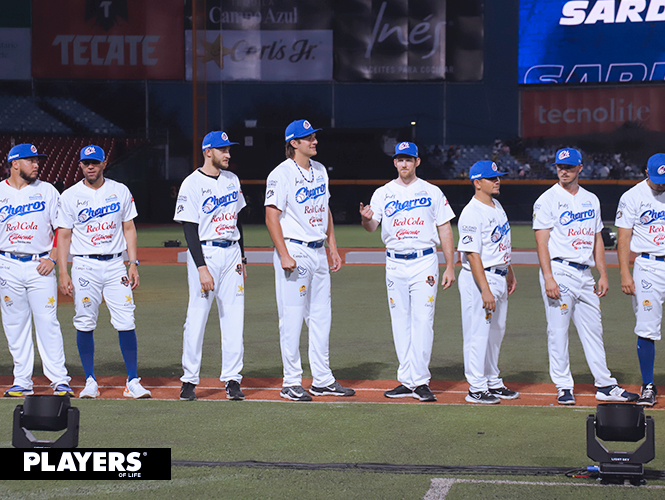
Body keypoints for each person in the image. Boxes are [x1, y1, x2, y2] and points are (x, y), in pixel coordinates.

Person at [533, 148, 638, 405]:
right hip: (560, 270)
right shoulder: (546, 199)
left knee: (594, 330)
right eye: (560, 167)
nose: (564, 171)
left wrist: (602, 274)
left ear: (580, 168)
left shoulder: (591, 199)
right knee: (558, 331)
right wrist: (548, 277)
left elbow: (597, 239)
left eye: (569, 167)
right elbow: (541, 242)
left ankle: (605, 384)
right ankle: (563, 385)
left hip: (585, 274)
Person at [264, 119, 355, 401]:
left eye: (314, 136)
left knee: (321, 317)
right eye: (308, 138)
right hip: (295, 249)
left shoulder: (320, 170)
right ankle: (291, 381)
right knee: (291, 319)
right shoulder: (281, 173)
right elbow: (271, 216)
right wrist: (283, 253)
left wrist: (333, 247)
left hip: (317, 251)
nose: (314, 141)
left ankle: (322, 379)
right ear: (294, 143)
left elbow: (325, 209)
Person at [359, 141, 455, 402]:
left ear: (417, 162)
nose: (404, 164)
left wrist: (450, 265)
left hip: (424, 261)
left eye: (409, 159)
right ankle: (407, 380)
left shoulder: (432, 191)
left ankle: (420, 381)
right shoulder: (383, 193)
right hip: (395, 262)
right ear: (394, 162)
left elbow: (445, 228)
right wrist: (366, 219)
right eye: (400, 159)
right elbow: (372, 226)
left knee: (423, 321)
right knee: (400, 322)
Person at [56, 145, 150, 399]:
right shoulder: (70, 195)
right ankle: (90, 380)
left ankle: (132, 381)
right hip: (84, 265)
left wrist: (133, 262)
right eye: (86, 162)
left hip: (115, 264)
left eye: (95, 162)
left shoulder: (120, 190)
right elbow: (63, 236)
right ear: (80, 165)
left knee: (126, 320)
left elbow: (129, 228)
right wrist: (63, 271)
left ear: (104, 163)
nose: (91, 166)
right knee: (85, 321)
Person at [173, 131, 247, 401]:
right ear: (208, 152)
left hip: (232, 253)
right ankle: (189, 380)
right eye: (222, 149)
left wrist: (243, 258)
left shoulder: (232, 179)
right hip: (206, 252)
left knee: (234, 317)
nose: (228, 154)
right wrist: (201, 266)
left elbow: (238, 220)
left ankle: (232, 379)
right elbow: (189, 229)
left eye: (228, 149)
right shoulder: (191, 183)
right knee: (197, 316)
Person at [0, 144, 73, 397]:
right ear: (15, 164)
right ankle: (22, 380)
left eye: (37, 160)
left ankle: (59, 379)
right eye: (30, 160)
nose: (36, 165)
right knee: (14, 325)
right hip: (7, 264)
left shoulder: (47, 191)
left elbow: (62, 229)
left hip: (39, 265)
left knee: (47, 323)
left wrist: (53, 259)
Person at [457, 161, 519, 404]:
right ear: (477, 183)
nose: (497, 181)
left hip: (499, 275)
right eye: (492, 178)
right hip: (480, 278)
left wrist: (509, 269)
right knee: (478, 333)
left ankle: (492, 380)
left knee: (496, 332)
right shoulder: (471, 213)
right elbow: (472, 254)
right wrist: (485, 289)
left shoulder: (496, 205)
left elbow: (500, 242)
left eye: (498, 177)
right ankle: (476, 387)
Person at [616, 153, 665, 407]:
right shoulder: (632, 196)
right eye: (657, 179)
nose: (661, 184)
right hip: (648, 266)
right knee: (647, 327)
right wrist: (625, 272)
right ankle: (648, 385)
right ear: (646, 172)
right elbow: (623, 238)